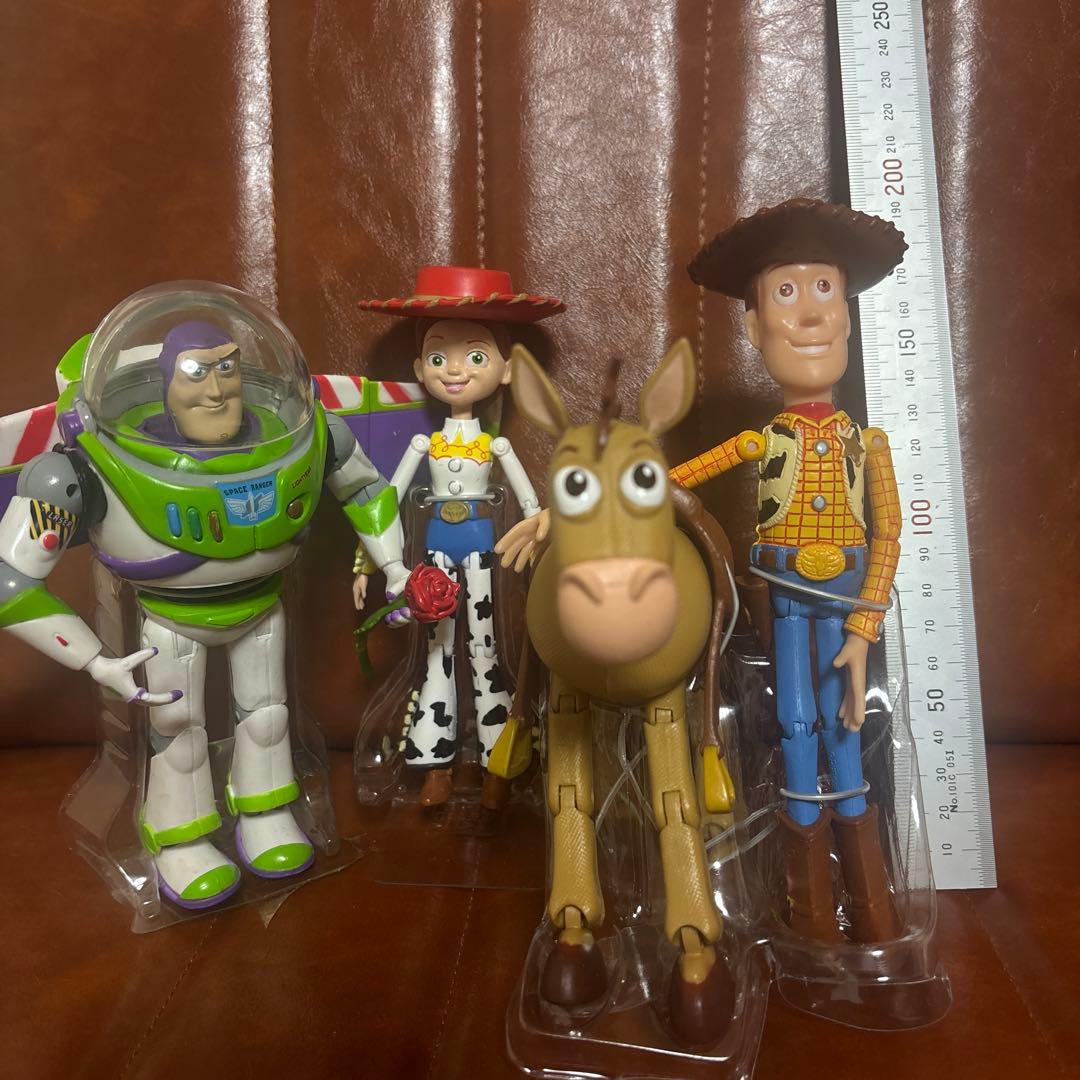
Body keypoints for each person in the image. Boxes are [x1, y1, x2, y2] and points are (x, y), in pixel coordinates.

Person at [671, 198, 907, 942]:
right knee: (794, 722)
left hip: (845, 601)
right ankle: (810, 915)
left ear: (849, 318)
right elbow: (675, 480)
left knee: (847, 728)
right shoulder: (761, 441)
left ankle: (872, 905)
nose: (809, 314)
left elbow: (891, 533)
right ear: (753, 328)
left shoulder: (868, 445)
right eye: (785, 293)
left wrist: (864, 630)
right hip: (782, 598)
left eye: (825, 289)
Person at [354, 265, 563, 806]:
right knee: (436, 650)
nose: (454, 370)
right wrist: (367, 560)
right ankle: (434, 763)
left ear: (507, 370)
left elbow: (533, 506)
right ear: (419, 369)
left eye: (475, 357)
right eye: (438, 357)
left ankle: (500, 761)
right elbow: (384, 502)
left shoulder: (495, 448)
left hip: (485, 553)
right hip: (432, 557)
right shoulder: (424, 445)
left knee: (486, 648)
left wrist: (540, 529)